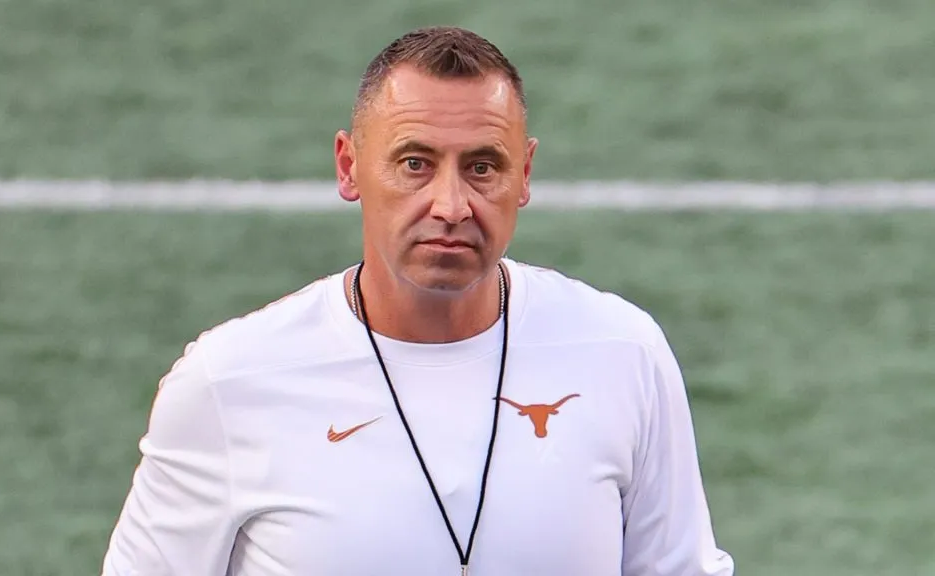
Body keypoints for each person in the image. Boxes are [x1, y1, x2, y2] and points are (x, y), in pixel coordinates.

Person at [100, 25, 735, 576]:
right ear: (349, 167)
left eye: (483, 166)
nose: (451, 205)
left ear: (526, 175)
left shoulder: (622, 352)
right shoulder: (228, 381)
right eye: (414, 163)